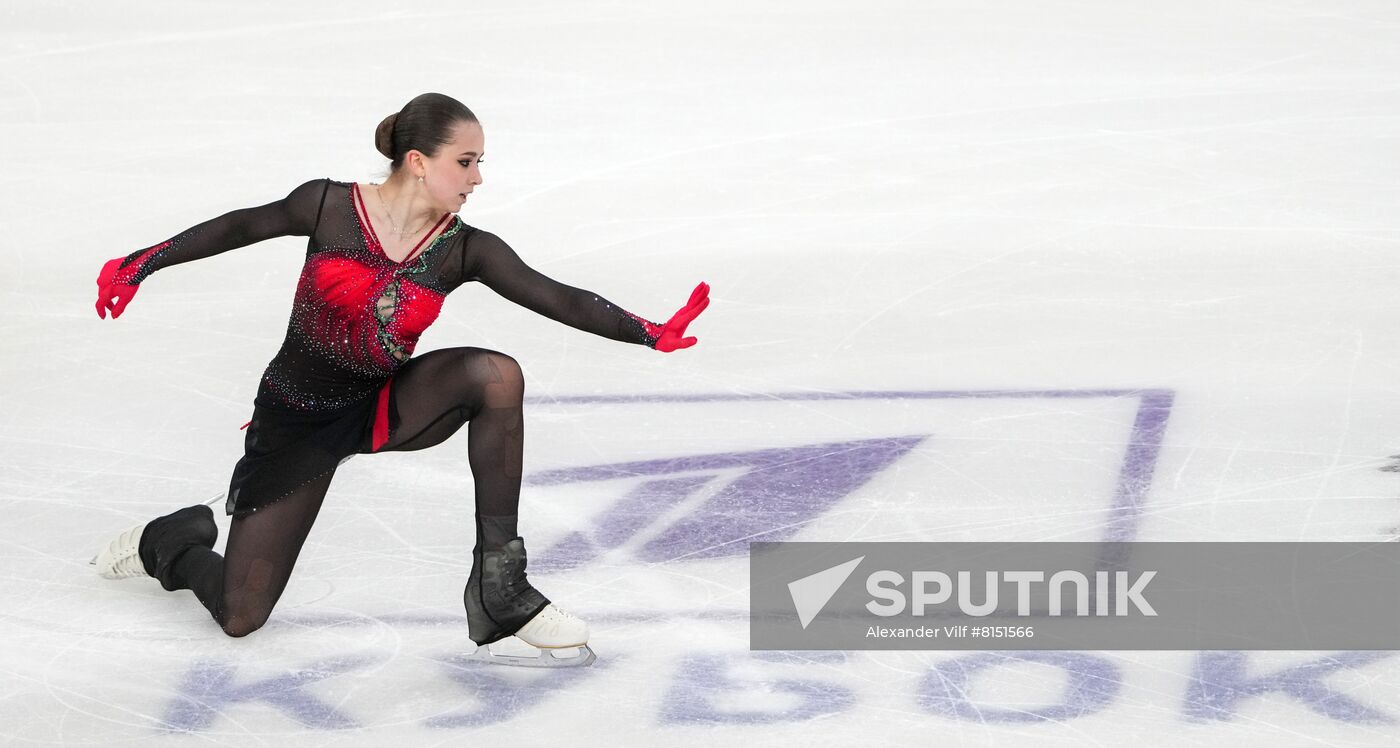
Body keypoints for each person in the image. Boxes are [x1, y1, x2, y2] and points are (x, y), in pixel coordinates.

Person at [90, 92, 710, 668]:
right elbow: (237, 227)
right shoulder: (328, 206)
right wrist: (138, 264)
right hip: (296, 419)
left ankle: (503, 584)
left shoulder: (465, 249)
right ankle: (170, 541)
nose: (477, 178)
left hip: (383, 403)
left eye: (479, 162)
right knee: (239, 614)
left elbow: (557, 297)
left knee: (495, 377)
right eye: (465, 161)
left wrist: (647, 331)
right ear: (418, 161)